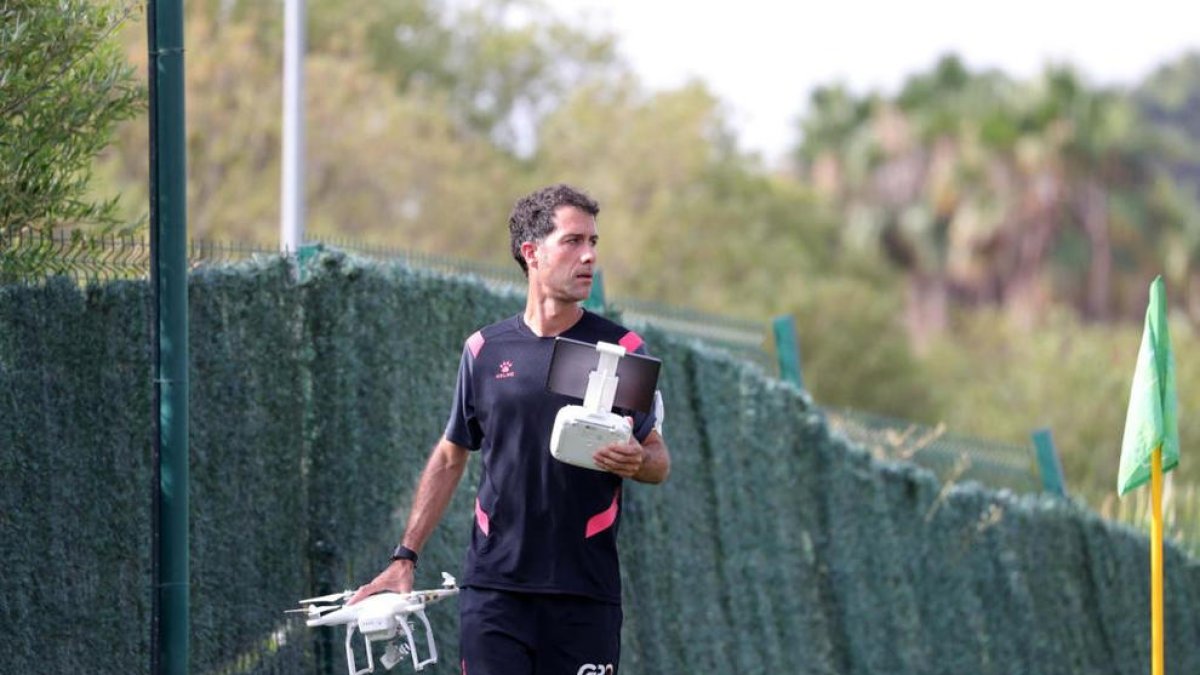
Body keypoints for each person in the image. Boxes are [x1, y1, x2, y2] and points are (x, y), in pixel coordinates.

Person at [349, 184, 671, 674]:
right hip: (495, 591)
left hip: (584, 593)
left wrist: (639, 461)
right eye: (573, 241)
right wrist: (404, 556)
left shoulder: (622, 348)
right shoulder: (484, 349)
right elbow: (451, 454)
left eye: (594, 242)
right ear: (531, 252)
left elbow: (658, 459)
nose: (589, 256)